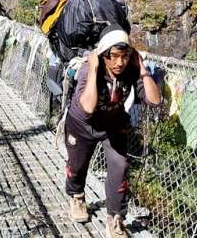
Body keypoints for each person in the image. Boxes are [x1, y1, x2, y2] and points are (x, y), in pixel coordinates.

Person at [64, 24, 161, 237]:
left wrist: (142, 70)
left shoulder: (131, 68)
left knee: (120, 166)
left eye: (125, 56)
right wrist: (94, 69)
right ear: (103, 55)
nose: (120, 63)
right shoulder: (89, 69)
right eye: (114, 56)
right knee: (78, 165)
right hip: (82, 125)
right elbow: (88, 108)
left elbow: (154, 100)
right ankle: (77, 196)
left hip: (113, 124)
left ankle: (116, 218)